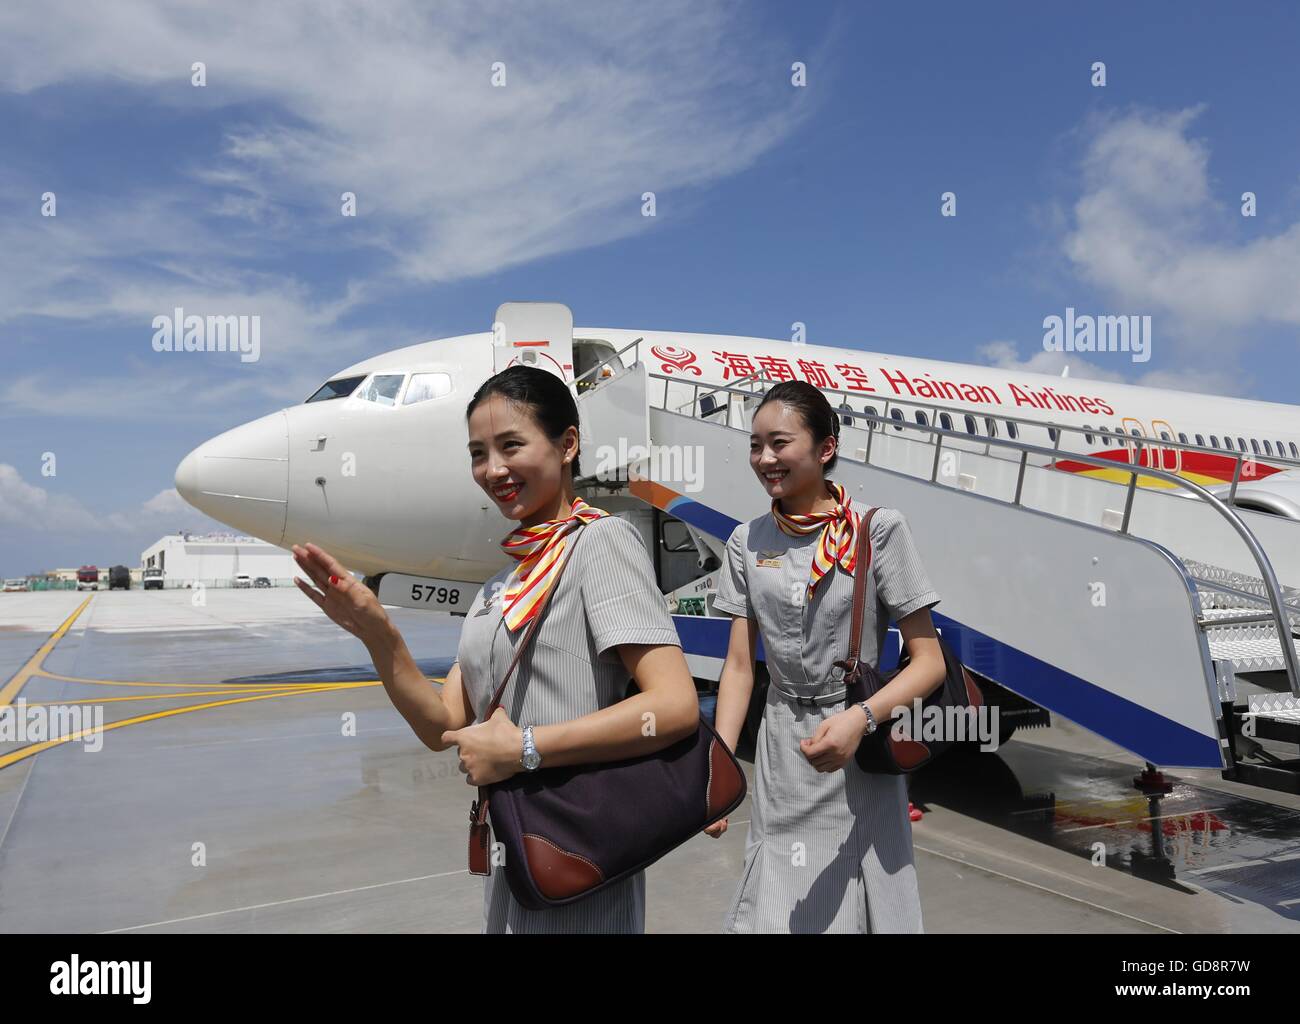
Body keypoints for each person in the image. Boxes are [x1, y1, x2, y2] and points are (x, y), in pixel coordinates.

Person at [292, 364, 699, 933]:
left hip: (582, 841)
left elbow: (675, 707)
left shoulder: (601, 544)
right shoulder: (498, 587)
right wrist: (379, 635)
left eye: (511, 445)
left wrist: (524, 748)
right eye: (478, 453)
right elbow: (444, 726)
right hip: (518, 848)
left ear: (568, 445)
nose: (493, 469)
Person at [706, 379, 946, 933]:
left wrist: (858, 721)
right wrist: (717, 768)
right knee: (777, 906)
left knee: (858, 901)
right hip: (783, 744)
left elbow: (929, 661)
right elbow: (741, 667)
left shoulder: (878, 530)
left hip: (859, 744)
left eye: (780, 442)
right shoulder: (747, 541)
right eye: (755, 444)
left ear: (826, 448)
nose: (765, 458)